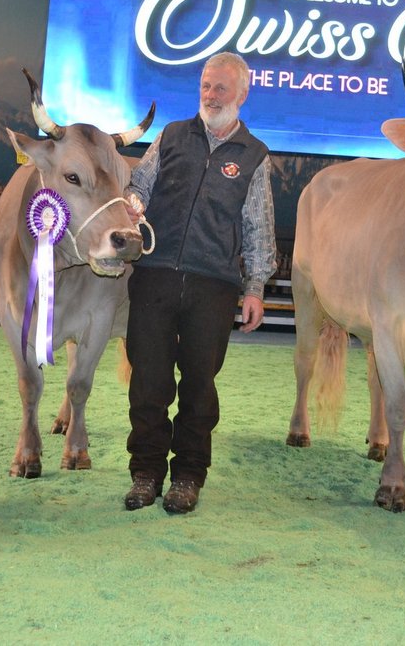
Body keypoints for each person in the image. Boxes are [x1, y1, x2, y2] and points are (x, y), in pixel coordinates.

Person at [122, 51, 275, 514]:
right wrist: (131, 202)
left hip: (215, 285)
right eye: (206, 86)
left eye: (221, 88)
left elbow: (258, 226)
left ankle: (188, 476)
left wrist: (256, 288)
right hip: (154, 275)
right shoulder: (170, 136)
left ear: (242, 94)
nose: (210, 95)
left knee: (199, 386)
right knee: (147, 381)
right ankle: (145, 473)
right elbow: (139, 186)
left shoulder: (255, 156)